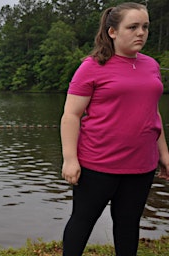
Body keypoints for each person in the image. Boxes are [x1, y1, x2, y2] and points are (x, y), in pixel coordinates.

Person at [60, 2, 169, 255]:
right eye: (132, 27)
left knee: (129, 224)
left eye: (145, 27)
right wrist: (69, 159)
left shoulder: (151, 65)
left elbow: (153, 113)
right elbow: (71, 115)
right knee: (82, 222)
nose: (141, 33)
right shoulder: (91, 66)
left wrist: (164, 153)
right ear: (113, 32)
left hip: (142, 165)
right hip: (97, 164)